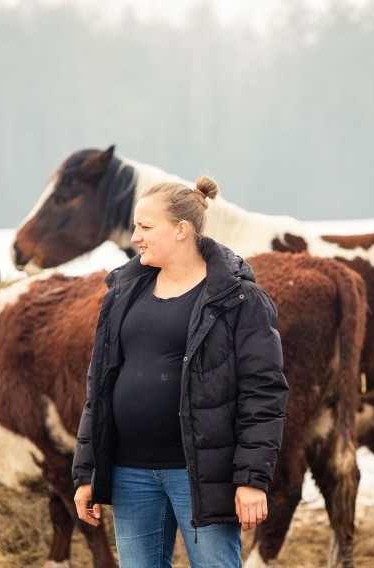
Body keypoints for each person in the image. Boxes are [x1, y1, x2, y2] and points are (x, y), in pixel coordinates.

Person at [72, 175, 288, 567]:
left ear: (181, 230)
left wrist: (252, 480)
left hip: (201, 475)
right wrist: (87, 472)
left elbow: (264, 393)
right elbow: (99, 387)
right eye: (136, 226)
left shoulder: (239, 299)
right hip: (129, 474)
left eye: (145, 227)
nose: (135, 236)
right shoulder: (122, 293)